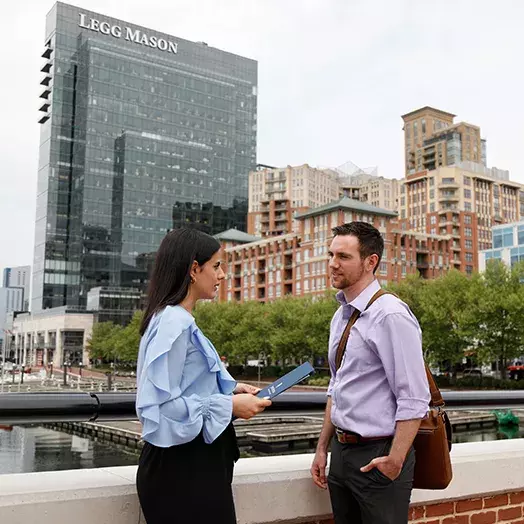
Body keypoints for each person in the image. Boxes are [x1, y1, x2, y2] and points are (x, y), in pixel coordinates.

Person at [136, 228, 271, 524]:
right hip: (183, 469)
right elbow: (160, 407)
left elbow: (185, 386)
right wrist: (229, 407)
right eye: (217, 265)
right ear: (194, 270)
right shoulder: (174, 322)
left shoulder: (172, 318)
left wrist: (229, 392)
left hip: (190, 464)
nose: (222, 275)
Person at [310, 222, 430, 524]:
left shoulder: (390, 314)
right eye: (331, 254)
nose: (332, 264)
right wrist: (322, 448)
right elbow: (337, 385)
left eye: (343, 257)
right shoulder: (341, 314)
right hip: (341, 454)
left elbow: (414, 396)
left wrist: (395, 460)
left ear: (370, 262)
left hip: (378, 454)